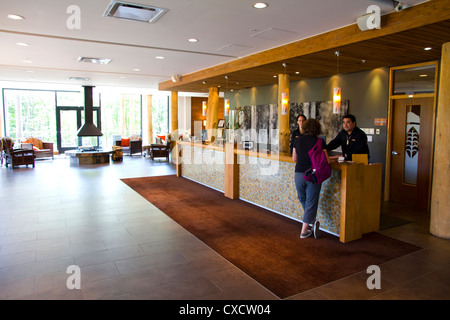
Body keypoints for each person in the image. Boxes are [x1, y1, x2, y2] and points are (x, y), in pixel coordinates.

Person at [293, 119, 330, 239]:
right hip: (314, 174)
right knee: (311, 202)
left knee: (302, 198)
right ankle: (304, 231)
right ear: (317, 128)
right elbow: (327, 161)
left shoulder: (297, 140)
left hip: (299, 173)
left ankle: (310, 223)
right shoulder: (320, 141)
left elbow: (294, 158)